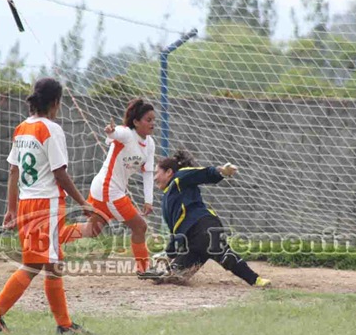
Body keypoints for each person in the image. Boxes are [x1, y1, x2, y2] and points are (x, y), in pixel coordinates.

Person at [0, 78, 93, 335]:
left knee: (49, 264)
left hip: (26, 202)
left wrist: (11, 208)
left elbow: (13, 171)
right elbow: (60, 174)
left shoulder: (22, 128)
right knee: (36, 266)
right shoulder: (51, 129)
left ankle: (63, 325)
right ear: (55, 103)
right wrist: (83, 202)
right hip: (47, 204)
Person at [140, 150, 271, 287]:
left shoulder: (179, 178)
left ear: (168, 172)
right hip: (192, 242)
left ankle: (256, 280)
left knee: (224, 256)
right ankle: (163, 273)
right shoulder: (168, 199)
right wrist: (168, 254)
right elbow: (176, 231)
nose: (154, 178)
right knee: (172, 277)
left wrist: (221, 171)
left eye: (156, 173)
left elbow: (202, 174)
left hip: (203, 226)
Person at [61, 98, 156, 274]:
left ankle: (49, 239)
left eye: (153, 120)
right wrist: (110, 132)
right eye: (148, 120)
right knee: (140, 226)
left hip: (106, 190)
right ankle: (144, 270)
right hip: (107, 189)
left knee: (91, 230)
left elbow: (148, 173)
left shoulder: (150, 144)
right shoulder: (127, 134)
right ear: (136, 122)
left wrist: (148, 200)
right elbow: (116, 133)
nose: (153, 123)